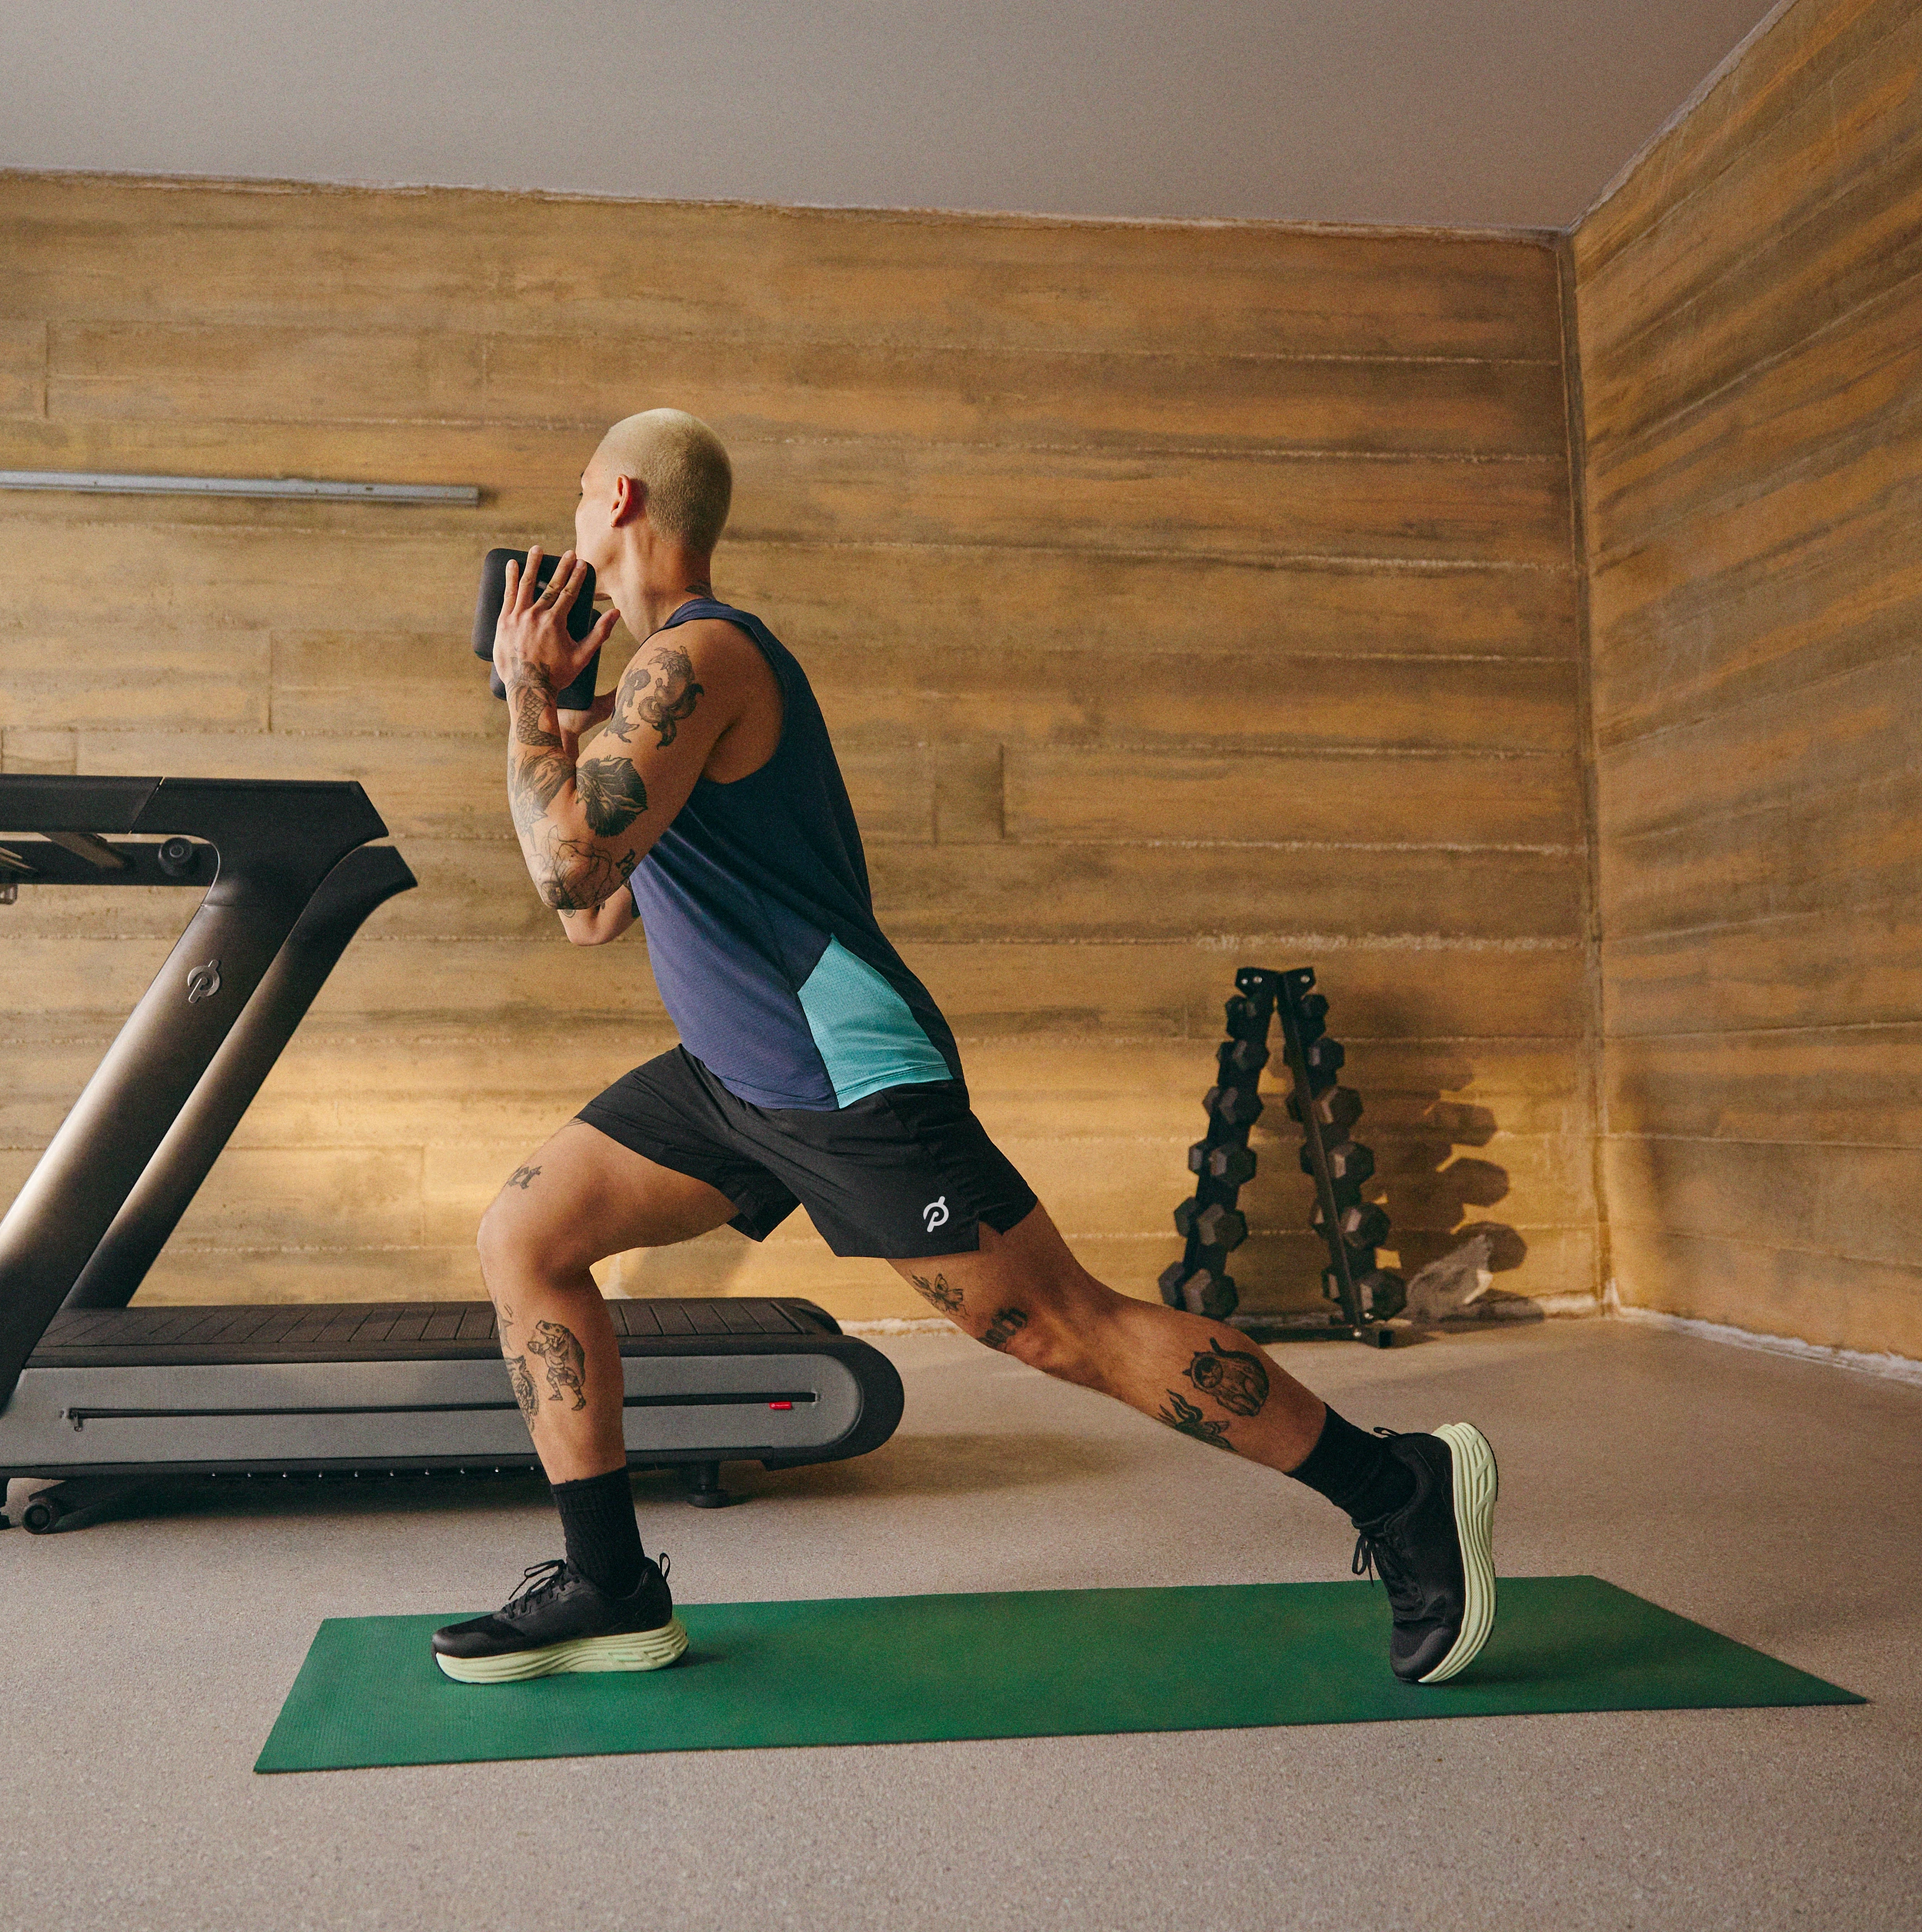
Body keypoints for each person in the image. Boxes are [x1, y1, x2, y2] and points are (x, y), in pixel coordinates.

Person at [433, 408, 1496, 1687]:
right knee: (527, 1237)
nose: (564, 523)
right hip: (733, 1077)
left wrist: (529, 689)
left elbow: (564, 864)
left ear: (618, 500)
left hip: (845, 1075)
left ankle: (1399, 1488)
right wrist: (554, 708)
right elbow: (591, 914)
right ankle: (609, 1584)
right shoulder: (639, 696)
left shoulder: (703, 658)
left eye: (575, 494)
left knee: (1060, 1327)